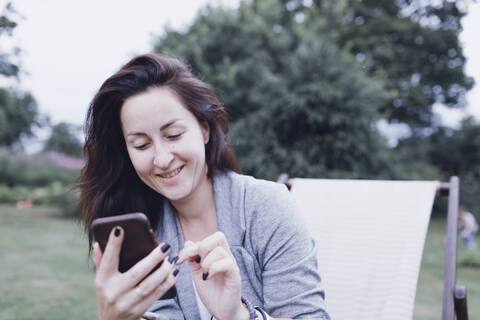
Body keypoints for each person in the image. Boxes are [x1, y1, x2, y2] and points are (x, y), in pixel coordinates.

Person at [79, 53, 330, 320]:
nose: (162, 159)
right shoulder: (139, 234)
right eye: (141, 145)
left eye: (173, 135)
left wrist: (237, 315)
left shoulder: (266, 206)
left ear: (205, 130)